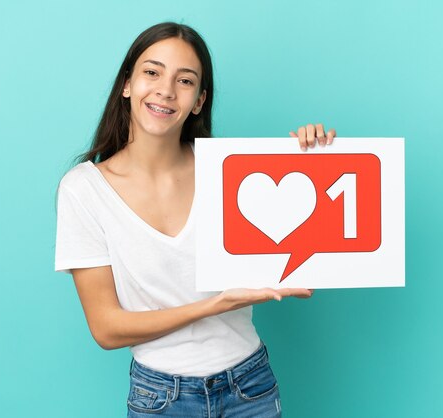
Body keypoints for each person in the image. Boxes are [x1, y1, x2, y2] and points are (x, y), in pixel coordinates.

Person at [54, 22, 336, 418]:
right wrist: (214, 305)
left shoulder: (231, 172)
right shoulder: (83, 189)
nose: (166, 90)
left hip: (250, 385)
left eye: (184, 80)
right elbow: (106, 327)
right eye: (152, 72)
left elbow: (301, 258)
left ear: (199, 101)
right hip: (161, 397)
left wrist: (316, 159)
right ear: (127, 84)